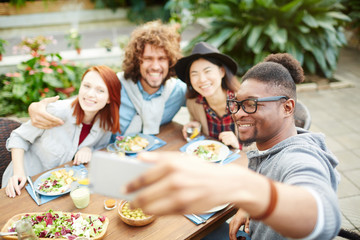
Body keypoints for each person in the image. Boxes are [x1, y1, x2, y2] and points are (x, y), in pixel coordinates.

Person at [124, 53, 341, 239]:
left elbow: (325, 216)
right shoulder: (265, 146)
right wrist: (247, 206)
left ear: (287, 107)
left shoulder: (299, 156)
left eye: (251, 104)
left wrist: (240, 186)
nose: (238, 113)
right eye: (236, 104)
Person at [28, 20, 187, 138]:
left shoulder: (177, 91)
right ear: (137, 59)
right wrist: (35, 108)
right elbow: (83, 101)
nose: (155, 66)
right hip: (108, 155)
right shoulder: (117, 84)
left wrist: (195, 120)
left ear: (170, 60)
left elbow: (204, 98)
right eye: (148, 58)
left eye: (162, 59)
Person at [3, 65, 121, 198]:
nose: (90, 94)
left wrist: (88, 149)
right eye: (87, 86)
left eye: (100, 90)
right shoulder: (57, 111)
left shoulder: (105, 124)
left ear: (110, 98)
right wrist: (18, 173)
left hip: (58, 189)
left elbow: (99, 151)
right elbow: (19, 137)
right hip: (23, 184)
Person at [175, 42, 241, 148]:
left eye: (207, 71)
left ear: (221, 72)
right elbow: (201, 133)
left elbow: (263, 144)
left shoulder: (245, 102)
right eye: (194, 74)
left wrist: (238, 144)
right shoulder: (193, 103)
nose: (202, 79)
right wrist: (197, 126)